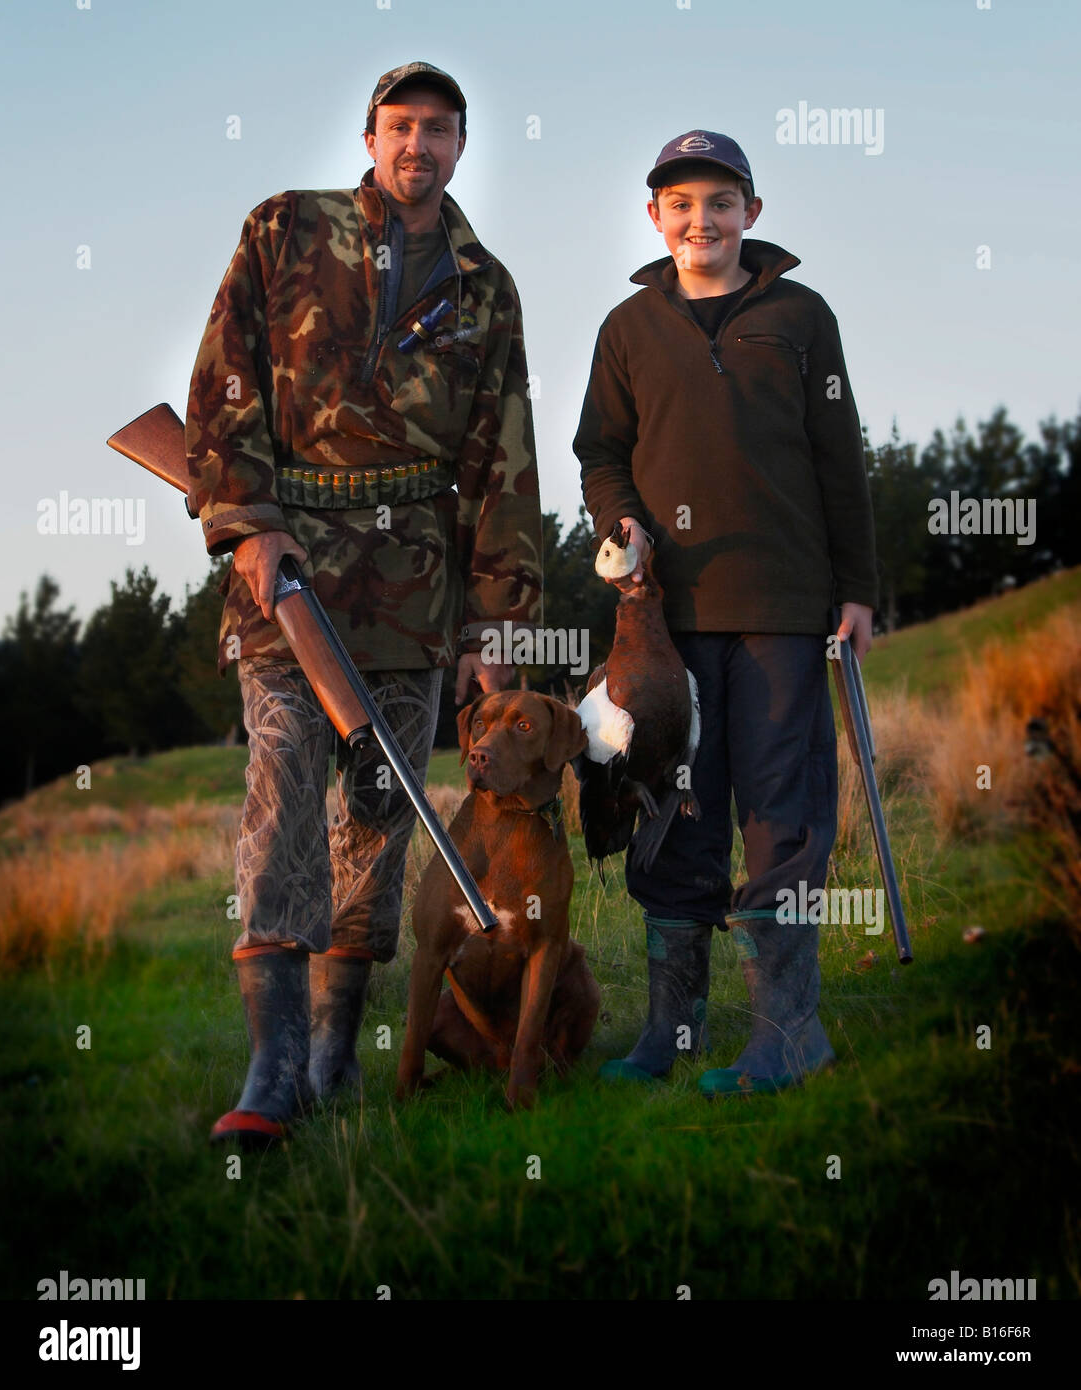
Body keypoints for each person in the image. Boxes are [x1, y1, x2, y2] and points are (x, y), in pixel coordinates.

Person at [186, 62, 542, 1145]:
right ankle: (273, 1066)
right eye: (400, 126)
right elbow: (225, 375)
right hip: (286, 577)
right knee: (282, 790)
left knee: (379, 820)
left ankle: (340, 1048)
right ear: (371, 133)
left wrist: (501, 622)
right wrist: (245, 518)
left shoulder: (487, 288)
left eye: (438, 128)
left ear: (464, 144)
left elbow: (504, 459)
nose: (417, 145)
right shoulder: (285, 229)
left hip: (414, 591)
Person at [574, 130, 877, 1095]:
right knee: (673, 806)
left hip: (785, 609)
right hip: (664, 623)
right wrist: (621, 523)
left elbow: (840, 457)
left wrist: (859, 589)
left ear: (752, 210)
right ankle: (674, 1029)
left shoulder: (801, 314)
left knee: (782, 811)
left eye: (719, 201)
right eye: (680, 203)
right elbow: (600, 452)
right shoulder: (627, 329)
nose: (699, 219)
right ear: (653, 216)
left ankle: (790, 1032)